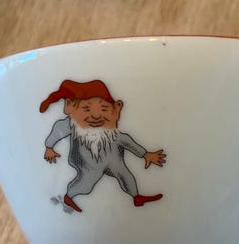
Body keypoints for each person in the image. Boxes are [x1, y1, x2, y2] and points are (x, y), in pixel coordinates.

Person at [40, 79, 166, 212]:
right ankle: (69, 197)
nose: (96, 116)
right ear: (70, 107)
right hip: (89, 164)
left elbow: (127, 141)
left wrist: (145, 154)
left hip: (113, 158)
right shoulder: (71, 125)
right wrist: (49, 147)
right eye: (86, 109)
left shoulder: (113, 133)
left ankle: (137, 197)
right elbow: (58, 129)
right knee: (86, 184)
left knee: (125, 175)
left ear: (116, 109)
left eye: (104, 109)